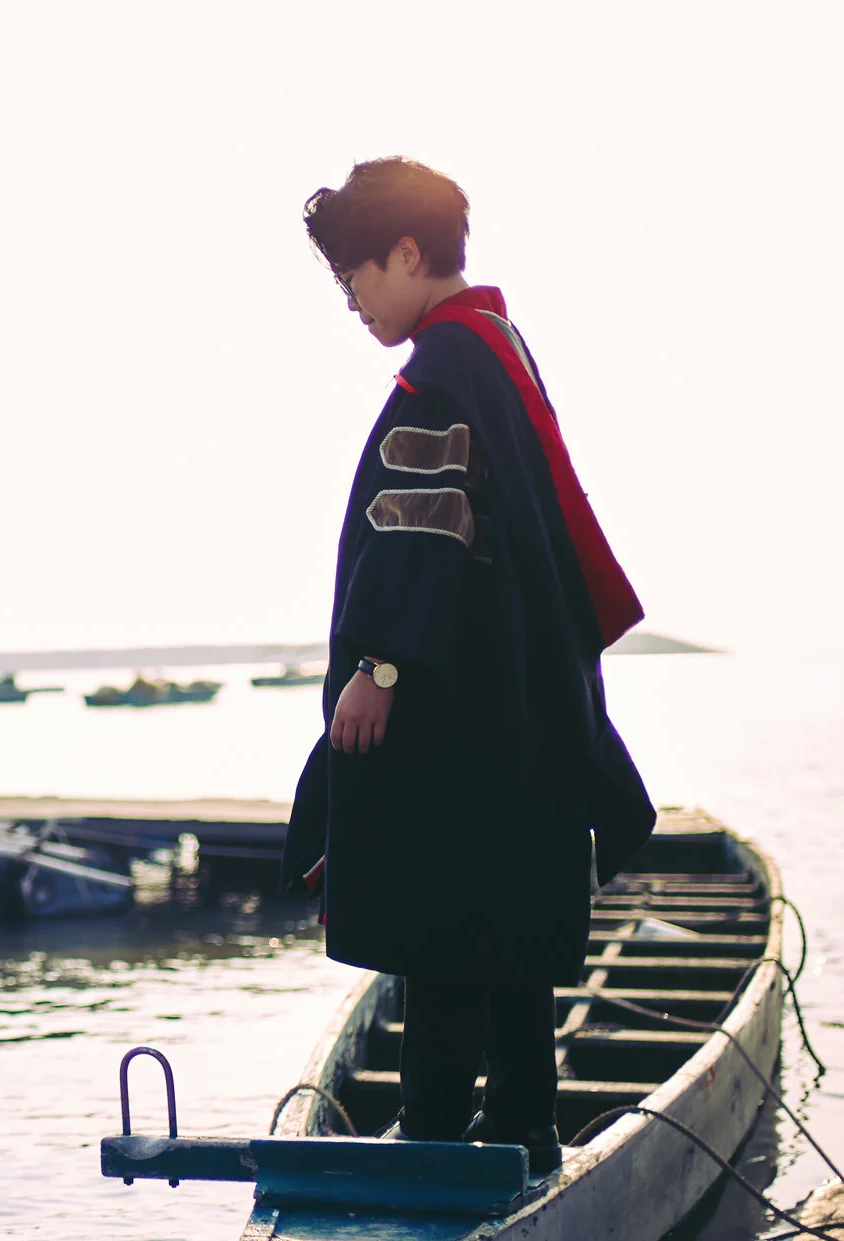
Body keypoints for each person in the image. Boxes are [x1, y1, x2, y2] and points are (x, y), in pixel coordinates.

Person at [280, 157, 655, 1173]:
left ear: (405, 253)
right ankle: (525, 1124)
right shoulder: (496, 344)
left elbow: (424, 525)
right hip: (516, 694)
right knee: (508, 915)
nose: (351, 301)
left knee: (439, 916)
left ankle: (435, 1128)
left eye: (354, 275)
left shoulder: (445, 367)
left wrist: (382, 666)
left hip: (454, 702)